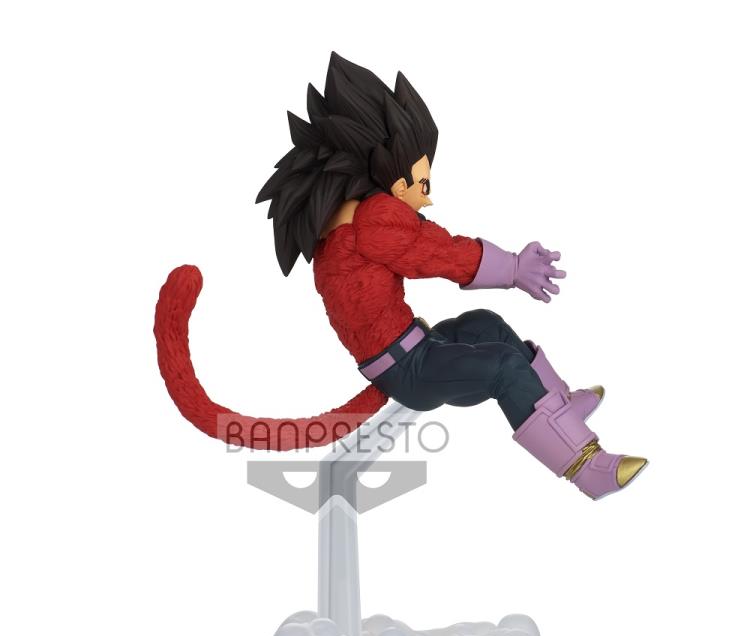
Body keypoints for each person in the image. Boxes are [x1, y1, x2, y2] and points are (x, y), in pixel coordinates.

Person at [154, 52, 647, 500]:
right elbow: (434, 253)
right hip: (406, 369)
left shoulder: (346, 221)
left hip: (411, 349)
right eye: (421, 182)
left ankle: (556, 405)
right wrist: (513, 267)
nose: (425, 197)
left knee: (486, 325)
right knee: (502, 365)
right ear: (391, 173)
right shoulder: (372, 220)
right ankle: (586, 467)